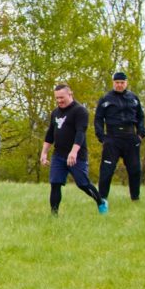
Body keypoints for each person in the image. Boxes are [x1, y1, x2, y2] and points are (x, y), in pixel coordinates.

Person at [40, 84, 107, 215]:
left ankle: (100, 201)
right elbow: (50, 134)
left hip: (77, 155)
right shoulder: (55, 112)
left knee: (83, 184)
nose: (59, 101)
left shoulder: (80, 111)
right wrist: (44, 152)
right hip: (58, 154)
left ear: (70, 94)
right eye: (57, 98)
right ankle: (54, 215)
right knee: (55, 183)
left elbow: (80, 132)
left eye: (62, 97)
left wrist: (74, 151)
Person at [95, 71, 145, 203]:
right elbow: (98, 119)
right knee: (107, 170)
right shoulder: (105, 99)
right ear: (113, 83)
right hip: (112, 137)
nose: (119, 85)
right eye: (117, 83)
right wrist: (102, 137)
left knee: (135, 170)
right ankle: (102, 199)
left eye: (122, 83)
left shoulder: (133, 98)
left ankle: (135, 198)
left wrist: (140, 134)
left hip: (130, 137)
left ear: (126, 83)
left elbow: (141, 117)